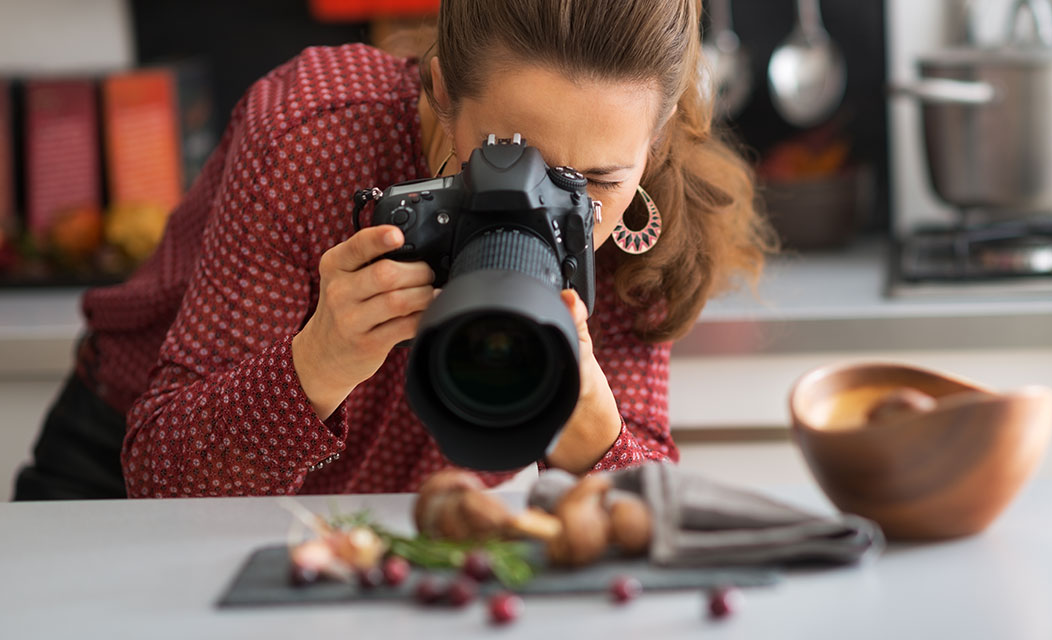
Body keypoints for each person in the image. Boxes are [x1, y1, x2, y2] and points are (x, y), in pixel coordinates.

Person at [12, 0, 774, 500]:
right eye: (508, 156)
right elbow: (158, 478)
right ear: (442, 91)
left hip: (382, 538)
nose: (547, 208)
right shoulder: (315, 134)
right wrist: (316, 363)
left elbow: (654, 527)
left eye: (597, 180)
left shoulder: (647, 229)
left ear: (659, 136)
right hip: (113, 475)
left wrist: (598, 446)